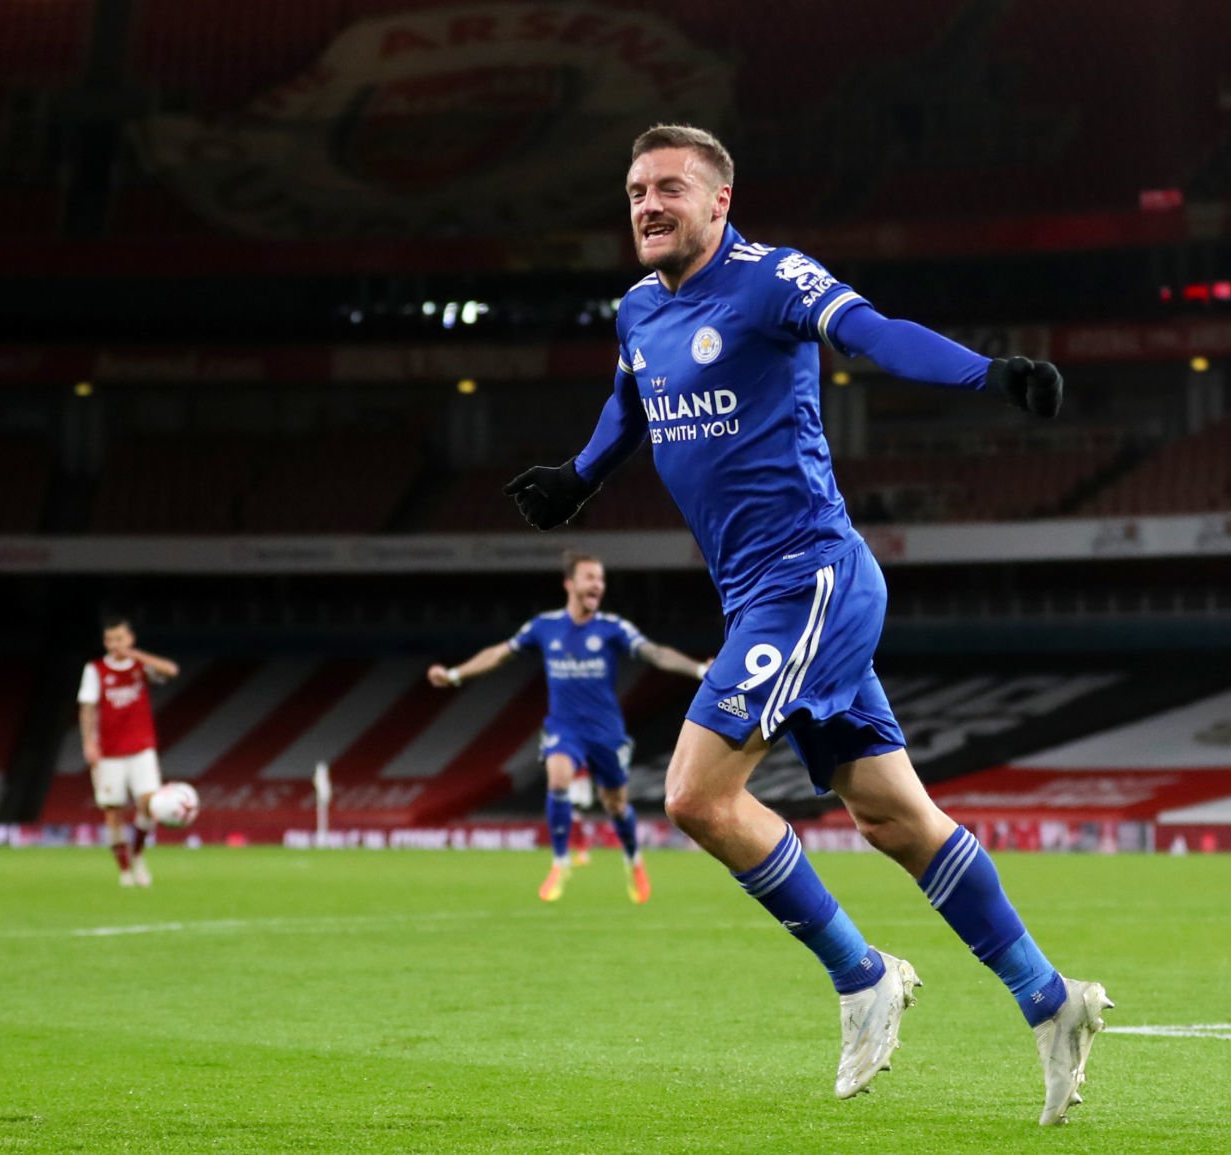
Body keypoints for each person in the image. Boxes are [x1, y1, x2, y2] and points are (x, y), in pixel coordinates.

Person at [501, 124, 1110, 1124]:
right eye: (635, 192)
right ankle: (1054, 1002)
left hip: (812, 577)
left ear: (718, 203)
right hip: (759, 596)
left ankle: (860, 974)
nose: (648, 206)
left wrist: (985, 374)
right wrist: (577, 478)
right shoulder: (638, 311)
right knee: (892, 819)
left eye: (669, 189)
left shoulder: (771, 277)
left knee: (696, 795)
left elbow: (871, 332)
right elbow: (631, 403)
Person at [428, 551, 709, 904]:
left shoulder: (612, 628)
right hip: (564, 727)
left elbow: (655, 653)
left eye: (601, 579)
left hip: (606, 731)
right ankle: (561, 862)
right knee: (558, 778)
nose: (598, 585)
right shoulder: (544, 627)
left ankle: (633, 860)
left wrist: (699, 670)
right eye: (590, 577)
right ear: (570, 584)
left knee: (616, 804)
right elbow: (500, 653)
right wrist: (454, 674)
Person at [79, 616, 180, 887]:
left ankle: (138, 856)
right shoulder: (95, 669)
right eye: (110, 639)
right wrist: (88, 742)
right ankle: (124, 870)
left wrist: (135, 655)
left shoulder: (140, 666)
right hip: (109, 752)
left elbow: (171, 670)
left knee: (148, 804)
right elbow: (87, 708)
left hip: (141, 748)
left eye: (120, 639)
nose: (115, 645)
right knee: (113, 812)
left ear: (130, 639)